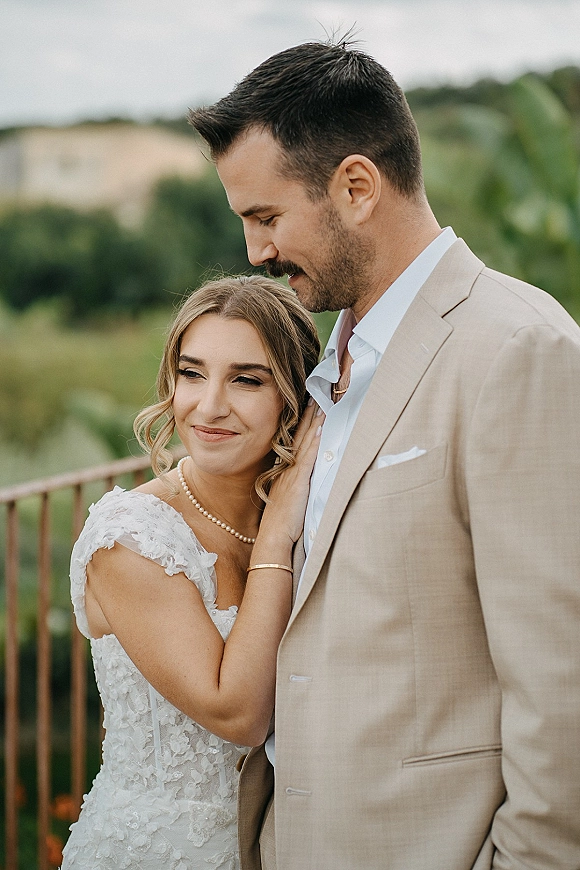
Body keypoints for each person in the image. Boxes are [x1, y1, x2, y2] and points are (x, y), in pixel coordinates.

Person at [189, 40, 580, 870]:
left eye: (266, 217)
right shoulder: (321, 366)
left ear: (356, 187)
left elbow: (564, 684)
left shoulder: (518, 350)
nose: (256, 252)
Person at [61, 275, 321, 869]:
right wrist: (278, 532)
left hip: (291, 843)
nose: (208, 407)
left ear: (295, 396)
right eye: (192, 373)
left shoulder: (321, 515)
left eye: (246, 380)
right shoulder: (128, 540)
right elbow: (238, 714)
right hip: (157, 852)